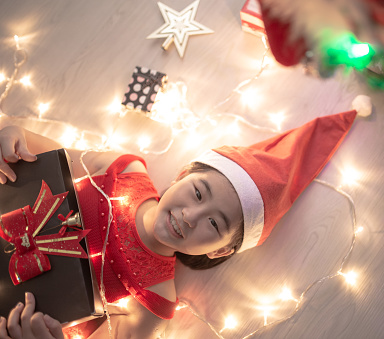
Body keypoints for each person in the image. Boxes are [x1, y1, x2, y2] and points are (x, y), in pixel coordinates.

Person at [0, 109, 356, 338]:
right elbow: (47, 157)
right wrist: (15, 136)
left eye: (215, 225)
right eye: (199, 194)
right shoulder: (123, 170)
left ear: (221, 251)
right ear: (183, 175)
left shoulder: (155, 299)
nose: (190, 216)